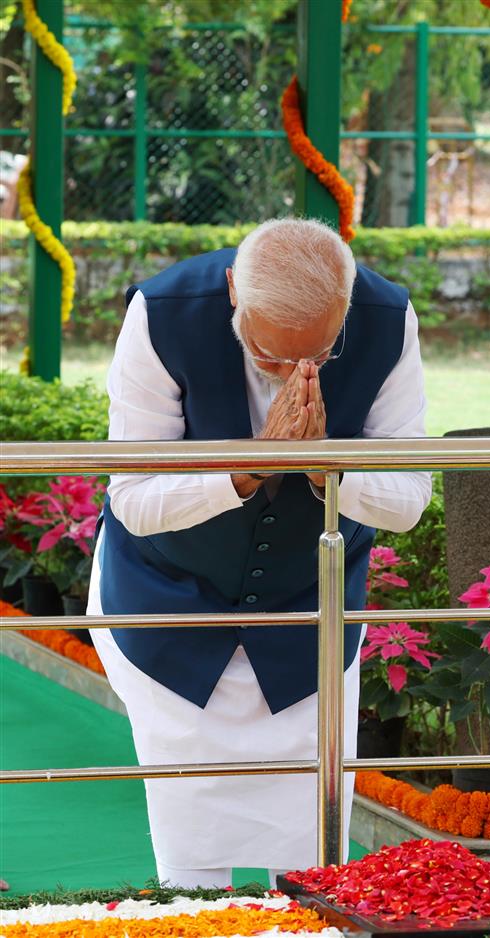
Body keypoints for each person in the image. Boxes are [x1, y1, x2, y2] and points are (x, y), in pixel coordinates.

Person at [87, 217, 431, 889]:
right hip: (170, 602)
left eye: (320, 356)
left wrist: (323, 466)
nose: (294, 375)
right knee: (190, 837)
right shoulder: (162, 313)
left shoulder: (390, 320)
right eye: (270, 357)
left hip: (309, 611)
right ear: (232, 295)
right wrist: (244, 470)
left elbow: (409, 498)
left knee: (309, 837)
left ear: (347, 308)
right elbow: (133, 496)